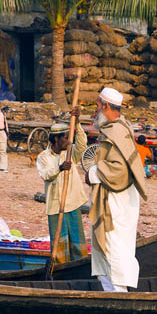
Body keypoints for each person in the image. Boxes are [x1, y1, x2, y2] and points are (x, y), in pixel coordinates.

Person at [85, 87, 148, 292]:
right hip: (113, 198)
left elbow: (120, 171)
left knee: (115, 248)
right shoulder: (114, 128)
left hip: (117, 201)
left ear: (105, 106)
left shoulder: (117, 131)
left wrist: (93, 173)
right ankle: (110, 293)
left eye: (97, 106)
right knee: (105, 251)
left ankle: (119, 295)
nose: (95, 111)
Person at [37, 113, 90, 264]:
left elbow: (82, 145)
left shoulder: (70, 153)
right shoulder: (44, 157)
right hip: (55, 205)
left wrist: (78, 124)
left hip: (72, 202)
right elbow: (46, 174)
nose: (68, 141)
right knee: (59, 245)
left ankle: (78, 266)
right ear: (56, 139)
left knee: (77, 241)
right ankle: (60, 267)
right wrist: (59, 168)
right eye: (65, 138)